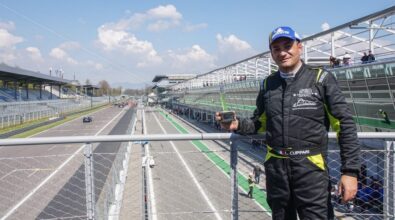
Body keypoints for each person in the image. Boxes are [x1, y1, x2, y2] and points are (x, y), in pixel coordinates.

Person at [216, 26, 360, 219]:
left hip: (311, 170)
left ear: (299, 47)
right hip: (276, 170)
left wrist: (350, 172)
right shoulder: (267, 84)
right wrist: (236, 125)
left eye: (287, 45)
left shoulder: (321, 78)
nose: (282, 52)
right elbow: (260, 123)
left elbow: (344, 125)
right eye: (276, 48)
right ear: (272, 53)